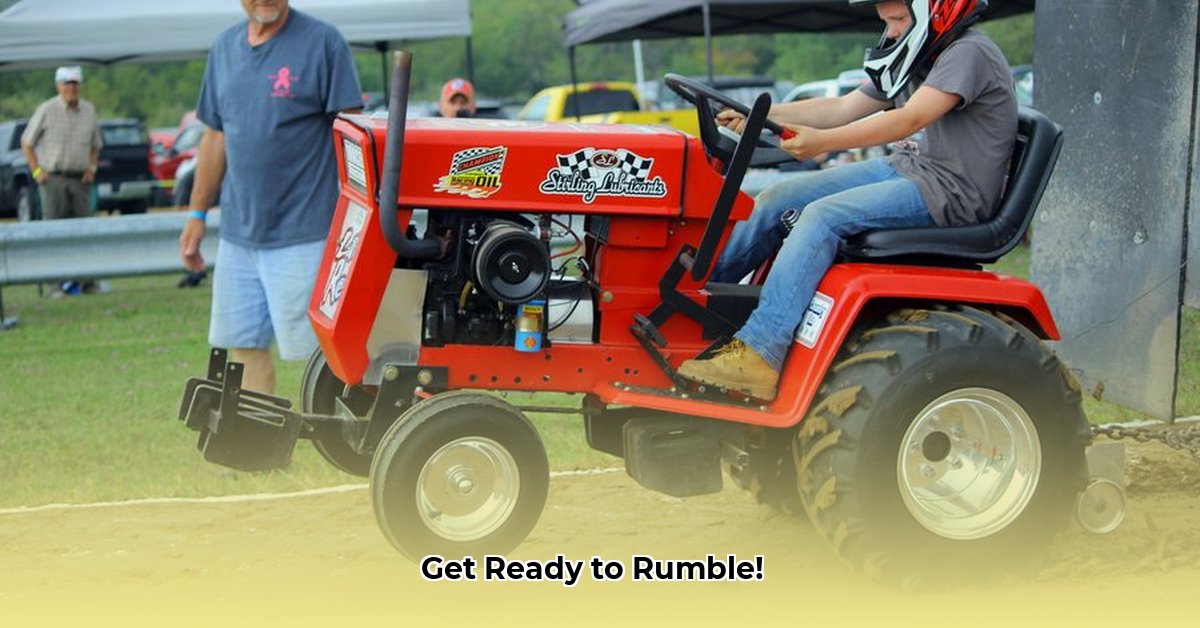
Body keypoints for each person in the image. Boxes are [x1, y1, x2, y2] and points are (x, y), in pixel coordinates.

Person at [677, 0, 1015, 401]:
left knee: (822, 217)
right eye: (886, 21)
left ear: (936, 11)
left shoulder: (968, 52)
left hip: (951, 191)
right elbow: (843, 107)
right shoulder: (919, 51)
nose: (890, 31)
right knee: (779, 196)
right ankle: (689, 300)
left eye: (898, 20)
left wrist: (824, 144)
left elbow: (909, 119)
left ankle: (760, 353)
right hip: (911, 169)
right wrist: (759, 114)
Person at [178, 0, 363, 395]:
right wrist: (196, 213)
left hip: (306, 231)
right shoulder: (224, 48)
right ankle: (259, 447)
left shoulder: (323, 42)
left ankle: (338, 446)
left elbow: (351, 134)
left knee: (321, 352)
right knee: (244, 343)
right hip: (238, 235)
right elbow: (215, 137)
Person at [21, 65, 102, 221]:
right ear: (58, 85)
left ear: (80, 85)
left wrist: (92, 169)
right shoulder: (46, 109)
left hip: (81, 181)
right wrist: (37, 172)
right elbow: (27, 143)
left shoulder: (89, 110)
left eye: (74, 83)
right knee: (54, 226)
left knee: (85, 227)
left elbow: (96, 144)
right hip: (53, 180)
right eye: (66, 83)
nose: (71, 87)